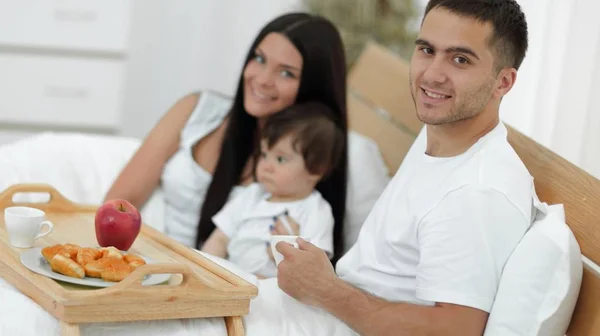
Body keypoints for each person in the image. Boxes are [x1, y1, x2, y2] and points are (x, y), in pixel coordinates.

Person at [272, 0, 537, 335]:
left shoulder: (476, 192)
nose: (432, 74)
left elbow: (456, 329)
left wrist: (325, 289)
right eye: (427, 50)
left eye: (460, 59)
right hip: (315, 313)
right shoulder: (444, 133)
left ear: (503, 83)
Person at [103, 12, 388, 264]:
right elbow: (120, 201)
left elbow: (357, 267)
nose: (262, 79)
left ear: (314, 87)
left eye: (286, 73)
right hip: (152, 265)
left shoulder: (342, 157)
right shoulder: (196, 110)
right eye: (259, 59)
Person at [201, 101, 344, 279]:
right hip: (229, 280)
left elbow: (313, 274)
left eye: (280, 159)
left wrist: (286, 254)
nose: (266, 166)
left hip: (272, 292)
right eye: (264, 154)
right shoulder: (252, 195)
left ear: (316, 169)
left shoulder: (316, 211)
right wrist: (203, 270)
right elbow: (220, 239)